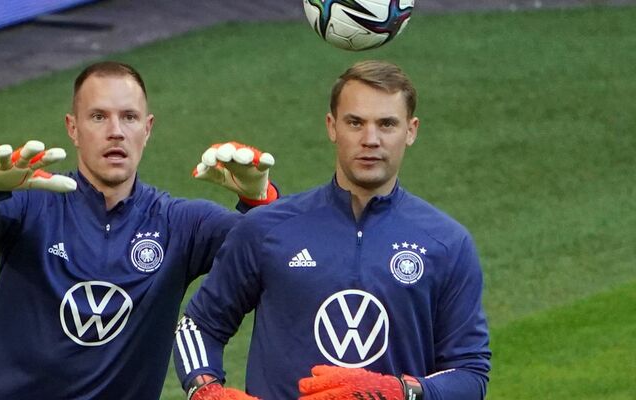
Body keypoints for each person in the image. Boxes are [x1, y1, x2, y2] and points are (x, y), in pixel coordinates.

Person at [0, 61, 278, 399]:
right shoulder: (34, 204)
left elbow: (275, 252)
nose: (115, 131)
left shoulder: (180, 224)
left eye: (129, 117)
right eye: (98, 117)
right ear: (73, 128)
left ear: (147, 129)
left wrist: (258, 198)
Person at [173, 60, 491, 400]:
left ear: (411, 131)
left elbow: (470, 373)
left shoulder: (447, 243)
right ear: (332, 126)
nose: (370, 139)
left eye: (387, 124)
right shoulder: (266, 229)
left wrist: (400, 392)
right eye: (355, 122)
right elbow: (198, 326)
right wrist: (204, 390)